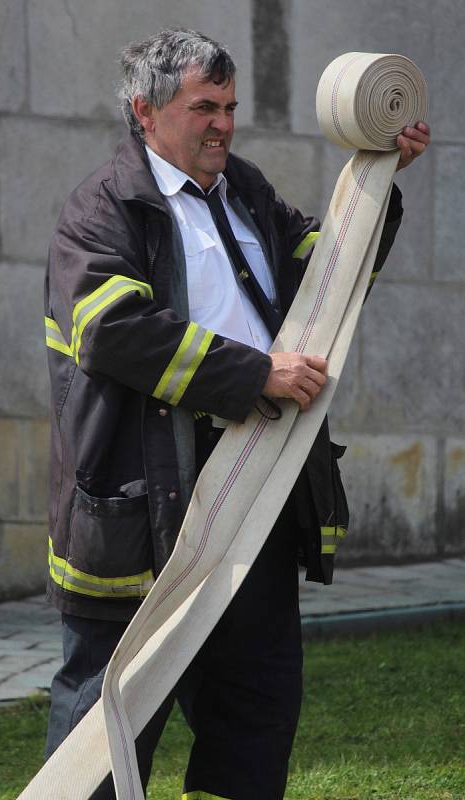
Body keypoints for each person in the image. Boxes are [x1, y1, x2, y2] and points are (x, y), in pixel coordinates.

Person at [43, 28, 430, 800]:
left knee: (253, 720)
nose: (222, 123)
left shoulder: (244, 188)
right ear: (144, 112)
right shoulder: (101, 208)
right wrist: (256, 371)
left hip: (256, 501)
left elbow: (325, 274)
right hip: (144, 517)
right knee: (106, 727)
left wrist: (381, 178)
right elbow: (110, 331)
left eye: (229, 106)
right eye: (202, 107)